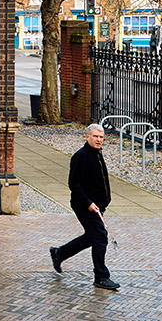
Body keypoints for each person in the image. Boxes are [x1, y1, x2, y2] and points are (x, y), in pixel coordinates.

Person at [50, 123, 119, 290]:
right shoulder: (81, 156)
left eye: (101, 137)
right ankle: (101, 276)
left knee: (92, 237)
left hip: (98, 205)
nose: (98, 140)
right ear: (87, 137)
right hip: (85, 205)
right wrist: (88, 203)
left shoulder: (97, 154)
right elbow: (73, 184)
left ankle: (60, 253)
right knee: (101, 238)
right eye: (95, 136)